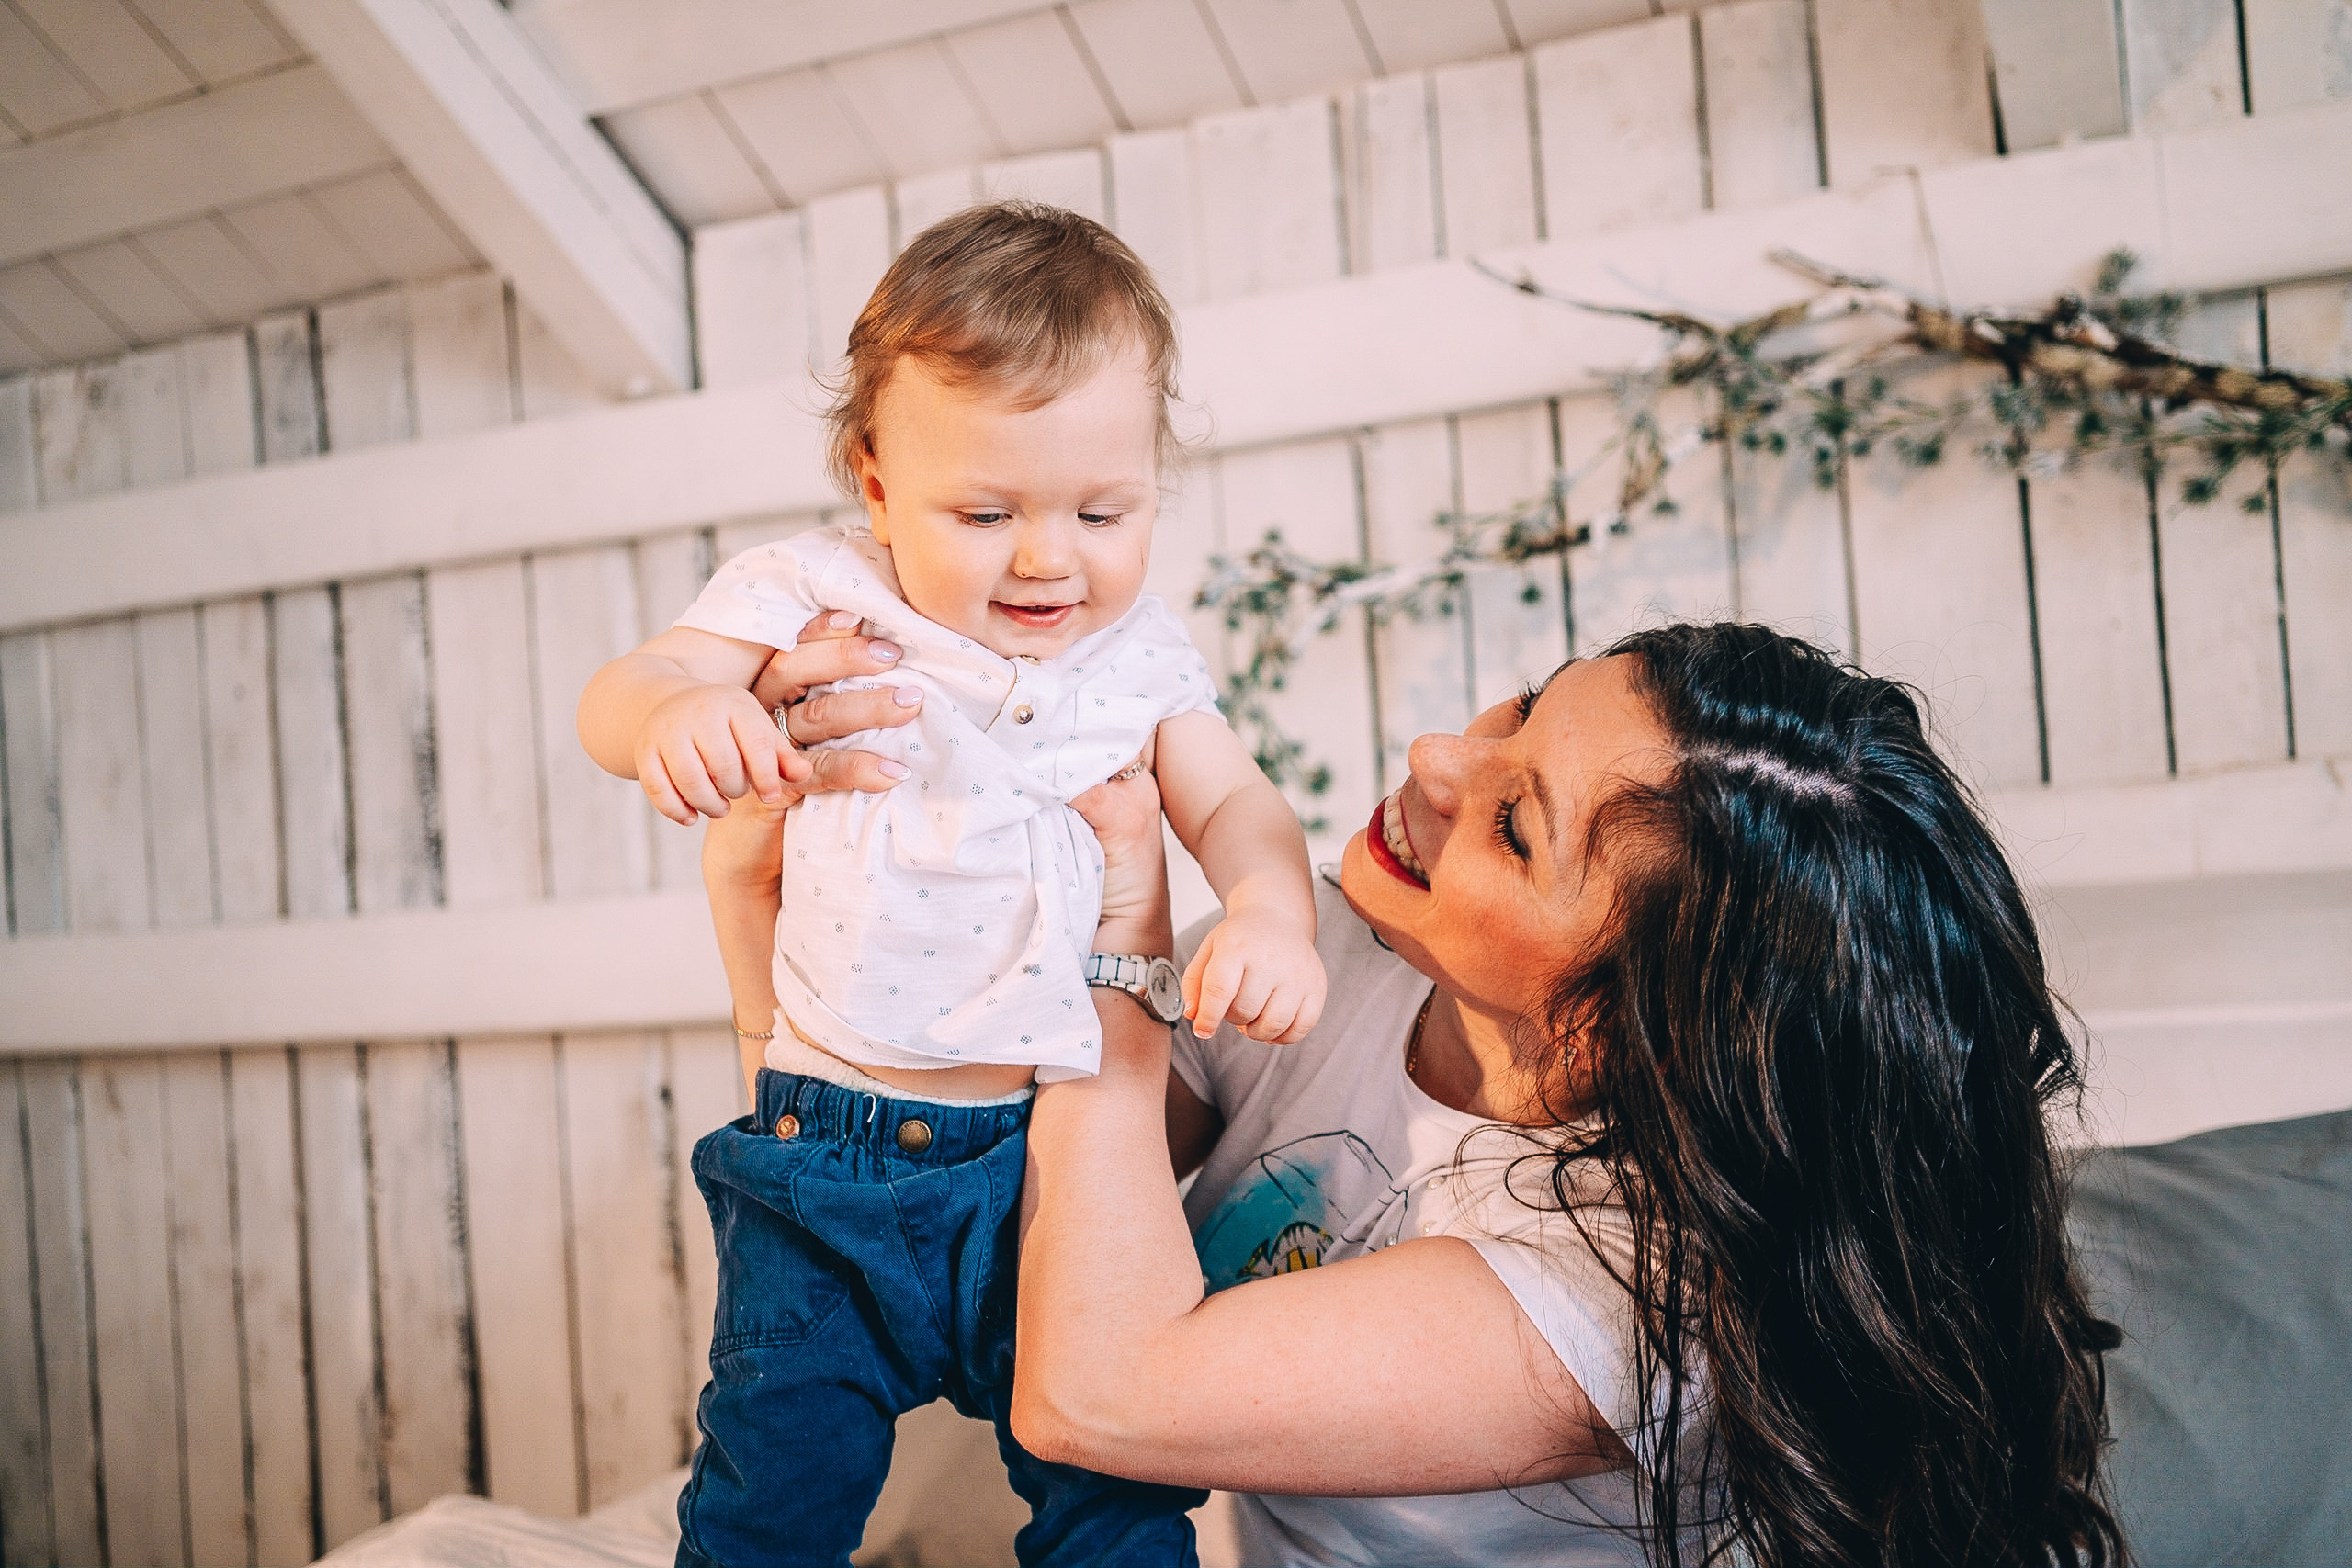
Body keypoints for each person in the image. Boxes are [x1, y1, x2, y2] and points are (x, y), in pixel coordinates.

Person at [727, 618, 2129, 1567]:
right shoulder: (1329, 959)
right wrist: (768, 894)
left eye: (1514, 826)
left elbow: (1093, 1397)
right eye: (1516, 714)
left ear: (1627, 1031)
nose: (1436, 764)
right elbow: (934, 1232)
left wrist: (1126, 929)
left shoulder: (1633, 1290)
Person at [577, 203, 1324, 1567]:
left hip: (1055, 1165)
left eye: (1103, 510)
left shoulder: (1139, 659)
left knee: (1115, 1486)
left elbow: (1236, 801)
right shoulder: (816, 595)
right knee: (772, 1489)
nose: (1048, 557)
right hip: (830, 1158)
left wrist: (1272, 907)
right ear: (874, 485)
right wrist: (671, 718)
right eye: (986, 513)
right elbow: (629, 687)